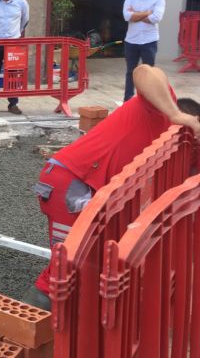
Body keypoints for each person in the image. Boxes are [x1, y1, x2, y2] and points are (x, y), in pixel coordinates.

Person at [24, 65, 200, 310]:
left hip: (97, 191)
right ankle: (25, 324)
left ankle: (77, 321)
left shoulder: (185, 148)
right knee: (68, 261)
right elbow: (144, 72)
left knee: (99, 257)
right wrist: (175, 114)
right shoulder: (158, 110)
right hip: (72, 183)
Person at [122, 0, 166, 101]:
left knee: (149, 72)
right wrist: (147, 12)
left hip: (149, 40)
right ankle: (128, 99)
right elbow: (126, 16)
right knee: (131, 71)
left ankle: (147, 100)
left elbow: (156, 18)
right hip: (132, 40)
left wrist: (136, 14)